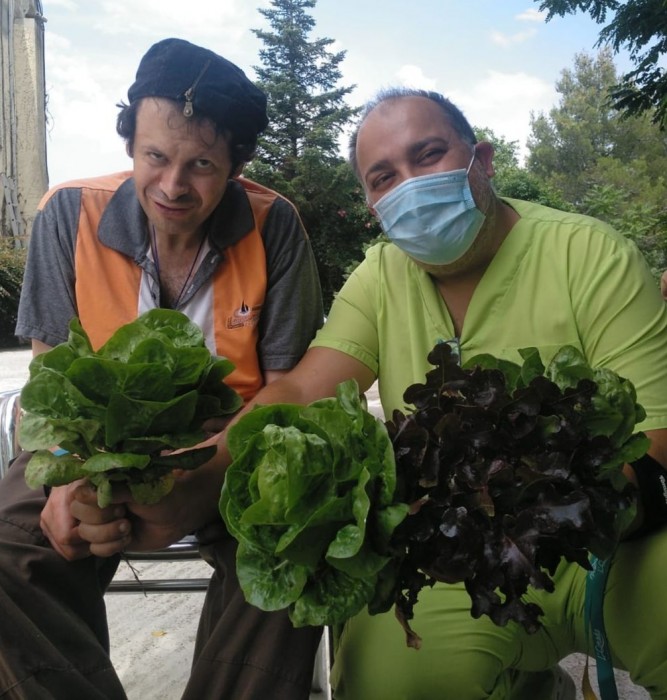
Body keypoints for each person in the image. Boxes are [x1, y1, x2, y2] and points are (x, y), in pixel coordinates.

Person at [222, 88, 667, 698]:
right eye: (383, 178)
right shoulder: (380, 276)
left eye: (428, 154)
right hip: (453, 566)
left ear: (482, 160)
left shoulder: (590, 253)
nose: (409, 184)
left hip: (609, 550)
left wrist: (534, 509)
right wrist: (203, 460)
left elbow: (655, 442)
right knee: (392, 679)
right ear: (373, 206)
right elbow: (302, 388)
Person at [0, 38, 323, 699]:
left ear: (236, 165)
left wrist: (202, 480)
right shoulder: (69, 212)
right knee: (10, 552)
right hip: (92, 446)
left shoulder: (275, 225)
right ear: (130, 145)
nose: (173, 185)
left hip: (236, 446)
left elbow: (286, 393)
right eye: (155, 156)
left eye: (201, 164)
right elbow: (51, 382)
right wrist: (68, 473)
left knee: (292, 544)